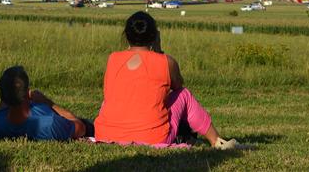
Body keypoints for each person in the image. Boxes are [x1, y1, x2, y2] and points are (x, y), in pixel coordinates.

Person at [94, 12, 239, 149]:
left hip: (105, 135)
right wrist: (159, 51)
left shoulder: (113, 58)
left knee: (110, 98)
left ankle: (113, 128)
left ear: (126, 35)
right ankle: (216, 141)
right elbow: (178, 85)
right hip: (152, 137)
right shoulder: (166, 62)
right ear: (155, 36)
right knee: (184, 94)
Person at [0, 66, 93, 141]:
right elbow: (81, 127)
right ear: (27, 93)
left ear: (2, 96)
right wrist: (48, 102)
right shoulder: (50, 123)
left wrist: (8, 93)